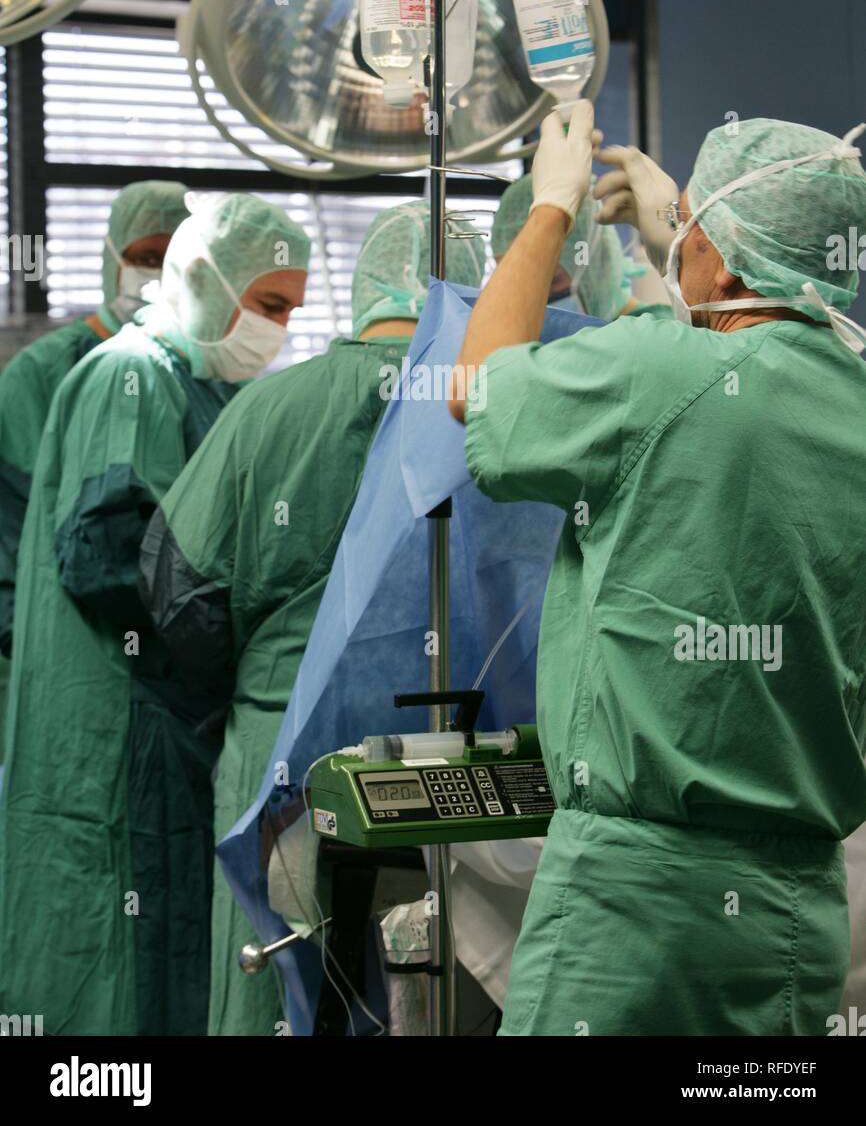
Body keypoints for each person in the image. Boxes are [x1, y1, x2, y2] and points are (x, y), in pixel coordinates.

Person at [449, 102, 866, 1036]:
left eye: (690, 241)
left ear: (714, 253)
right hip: (797, 913)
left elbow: (474, 390)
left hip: (632, 912)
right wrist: (679, 243)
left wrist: (548, 211)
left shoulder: (659, 372)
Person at [139, 200, 485, 1036]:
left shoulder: (266, 412)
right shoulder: (493, 413)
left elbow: (176, 597)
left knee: (280, 993)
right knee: (437, 994)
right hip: (450, 768)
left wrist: (264, 683)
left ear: (363, 282)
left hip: (280, 758)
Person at [0, 191, 311, 1036]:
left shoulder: (197, 386)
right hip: (117, 722)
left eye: (292, 310)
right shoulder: (129, 374)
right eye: (270, 304)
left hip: (157, 722)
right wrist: (232, 652)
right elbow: (110, 556)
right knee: (114, 967)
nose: (278, 328)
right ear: (208, 279)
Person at [0, 180, 190, 763]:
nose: (156, 274)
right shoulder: (44, 373)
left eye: (172, 259)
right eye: (144, 258)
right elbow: (36, 529)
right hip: (61, 649)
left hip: (172, 655)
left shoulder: (198, 370)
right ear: (112, 259)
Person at [491, 171, 638, 320]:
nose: (531, 297)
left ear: (594, 262)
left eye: (551, 280)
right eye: (511, 284)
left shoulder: (647, 336)